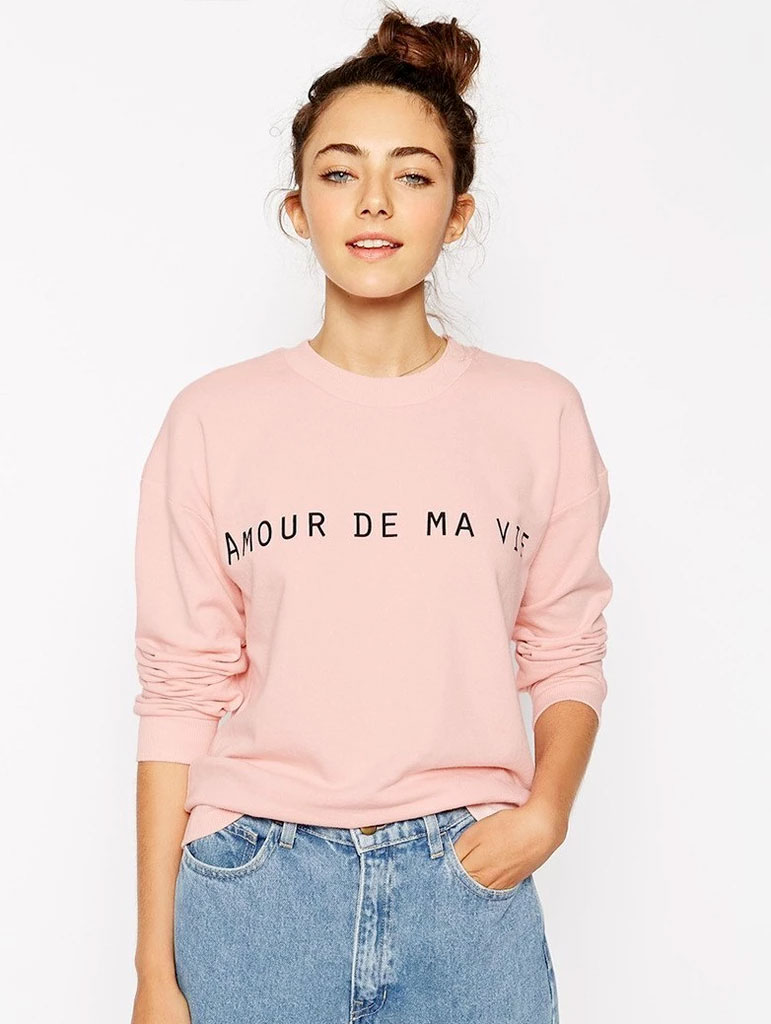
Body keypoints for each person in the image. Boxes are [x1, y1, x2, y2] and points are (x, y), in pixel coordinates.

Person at [130, 7, 612, 1024]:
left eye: (415, 175)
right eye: (340, 171)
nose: (375, 202)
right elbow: (179, 690)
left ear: (458, 212)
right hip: (255, 889)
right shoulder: (214, 419)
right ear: (298, 207)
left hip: (466, 889)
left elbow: (565, 647)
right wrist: (153, 972)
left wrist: (546, 814)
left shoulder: (537, 414)